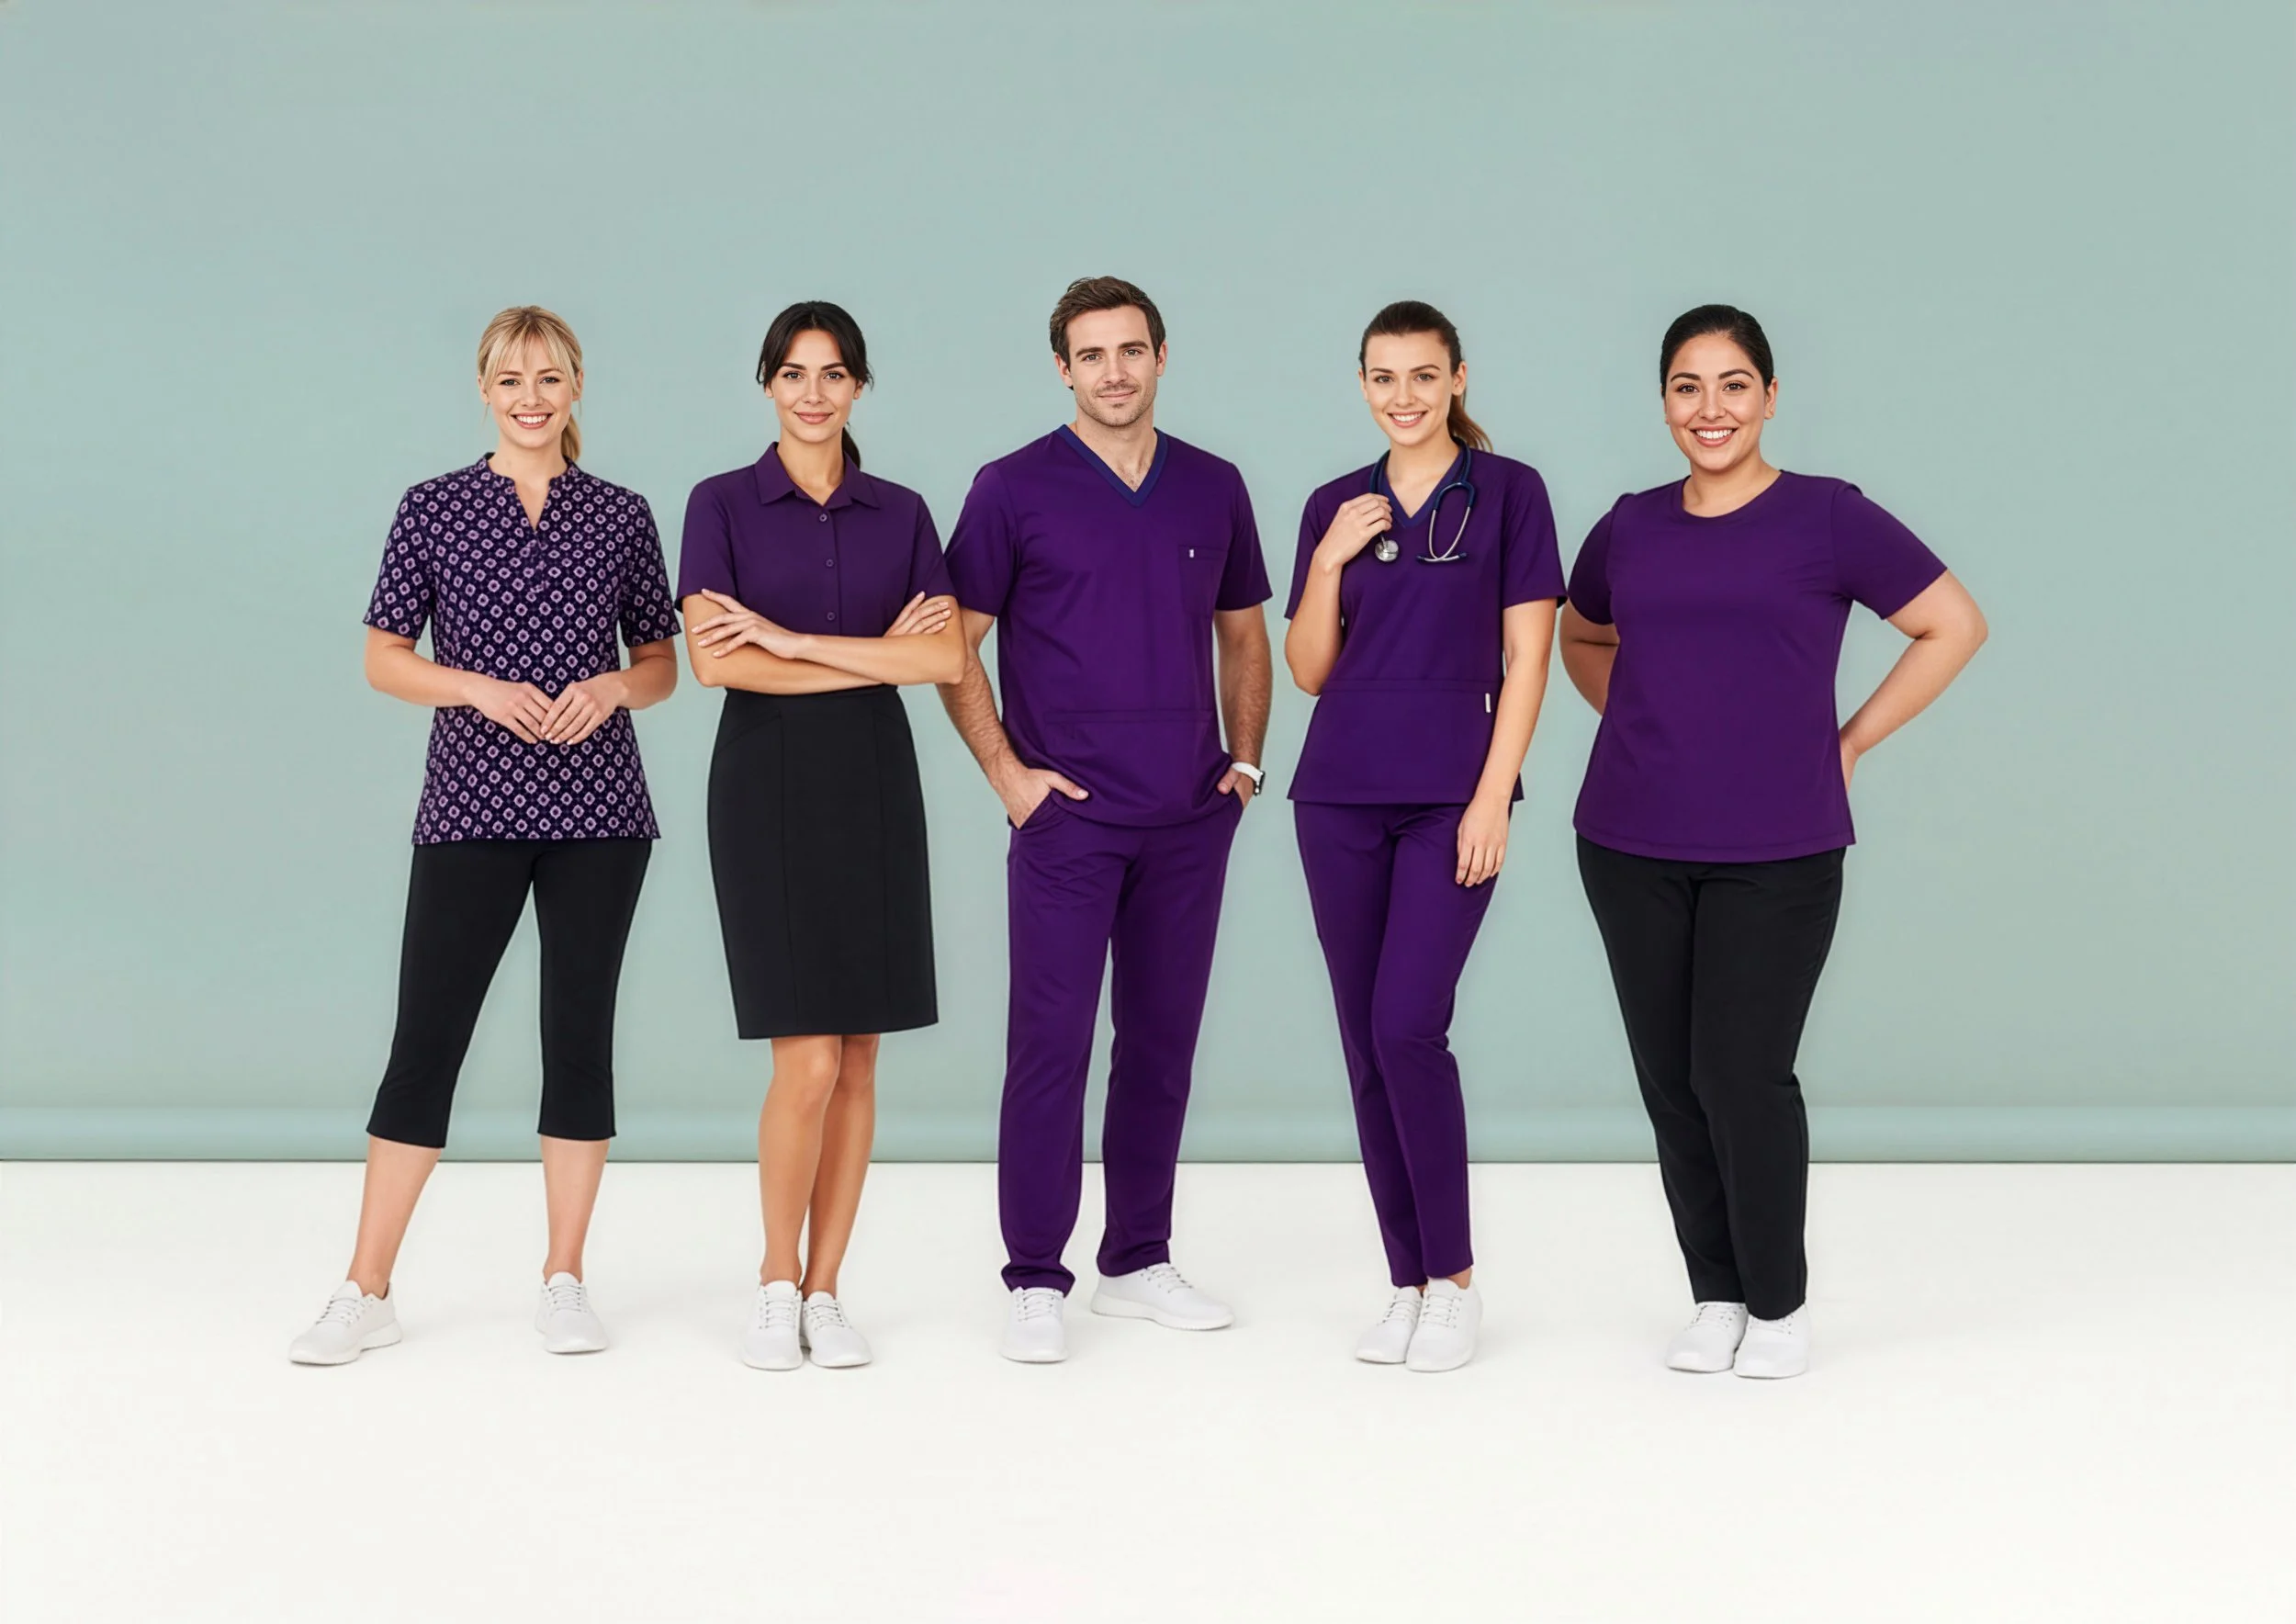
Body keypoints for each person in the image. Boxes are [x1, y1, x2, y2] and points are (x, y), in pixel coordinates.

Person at [1558, 304, 1987, 1380]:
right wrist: (1645, 716)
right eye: (1688, 387)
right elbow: (1581, 629)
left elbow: (1953, 624)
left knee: (1741, 1072)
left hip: (1779, 847)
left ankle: (1779, 1305)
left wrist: (1850, 740)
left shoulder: (1826, 518)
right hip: (1628, 839)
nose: (1711, 408)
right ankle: (1714, 1295)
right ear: (1663, 402)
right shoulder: (1628, 524)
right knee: (1670, 1079)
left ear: (1770, 396)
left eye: (1733, 384)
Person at [289, 305, 681, 1365]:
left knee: (578, 1035)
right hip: (470, 802)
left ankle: (565, 1276)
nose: (530, 398)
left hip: (601, 812)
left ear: (576, 387)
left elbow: (661, 662)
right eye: (511, 380)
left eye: (549, 379)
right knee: (427, 1042)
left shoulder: (620, 514)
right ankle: (366, 1288)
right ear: (483, 390)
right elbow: (382, 654)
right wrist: (475, 687)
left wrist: (608, 688)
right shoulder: (434, 508)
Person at [940, 276, 1273, 1363]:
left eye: (1131, 351)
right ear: (1062, 368)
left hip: (1186, 816)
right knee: (1049, 1047)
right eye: (1092, 355)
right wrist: (1007, 775)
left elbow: (1243, 634)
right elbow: (955, 646)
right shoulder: (1011, 489)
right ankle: (1036, 1272)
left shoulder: (1213, 487)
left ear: (1162, 357)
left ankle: (1137, 1257)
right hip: (1068, 822)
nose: (1114, 373)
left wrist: (1245, 762)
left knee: (1161, 1046)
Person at [677, 301, 963, 1371]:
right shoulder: (719, 504)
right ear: (767, 384)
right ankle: (773, 1279)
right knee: (803, 1058)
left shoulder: (902, 511)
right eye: (792, 373)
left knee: (858, 1060)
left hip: (876, 787)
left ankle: (829, 1287)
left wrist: (794, 638)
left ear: (857, 388)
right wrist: (867, 649)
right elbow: (716, 664)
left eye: (832, 374)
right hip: (766, 788)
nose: (812, 392)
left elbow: (941, 663)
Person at [1283, 301, 1563, 1372]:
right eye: (1382, 377)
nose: (1402, 395)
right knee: (1364, 1045)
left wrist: (1492, 798)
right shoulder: (1331, 504)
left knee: (1408, 1025)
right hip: (1339, 797)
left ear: (1456, 379)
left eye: (1421, 375)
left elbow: (1527, 660)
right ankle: (1402, 1281)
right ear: (1362, 385)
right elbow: (1309, 670)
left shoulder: (1509, 495)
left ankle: (1453, 1281)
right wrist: (1324, 564)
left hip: (1451, 794)